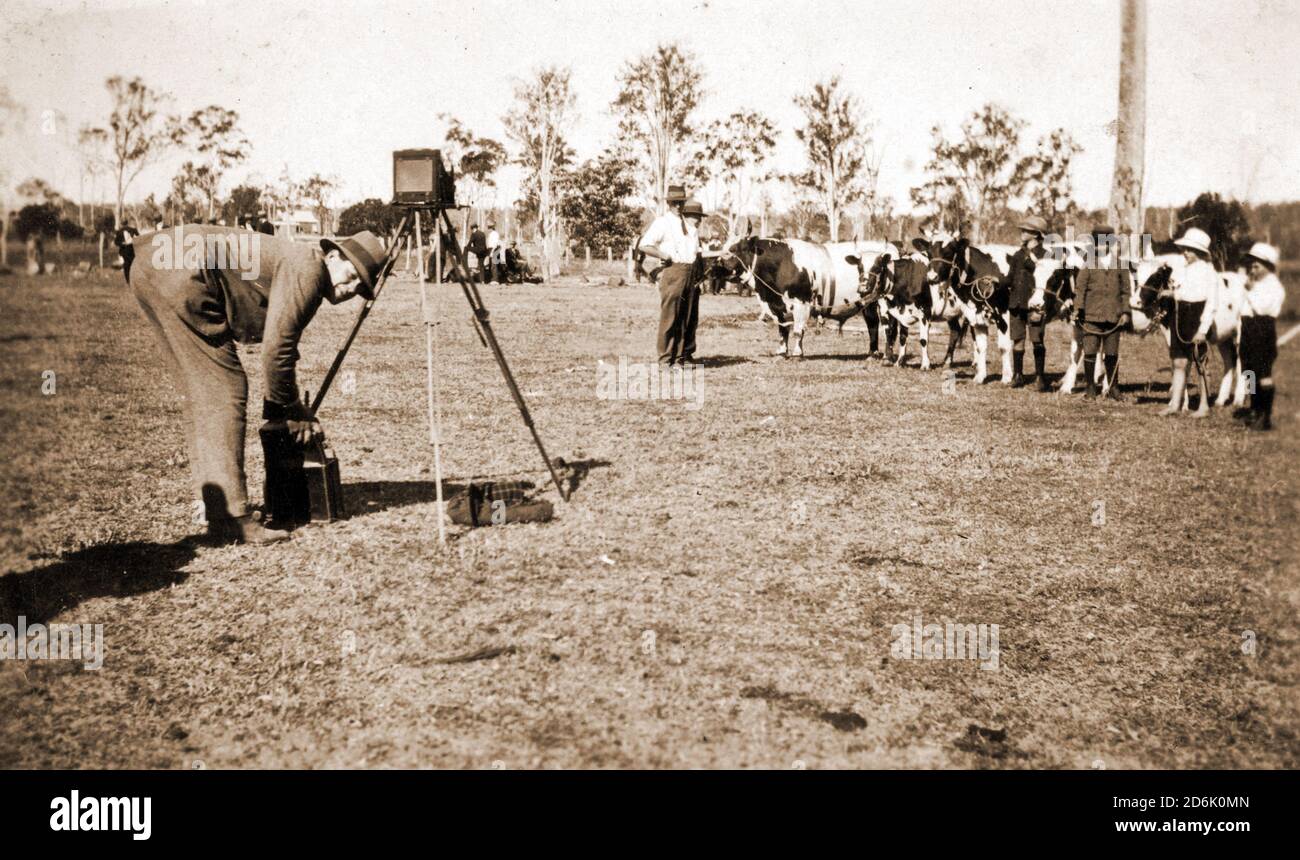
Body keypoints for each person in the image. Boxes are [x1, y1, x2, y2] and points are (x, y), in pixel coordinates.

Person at [131, 225, 385, 543]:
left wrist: (283, 405)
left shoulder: (304, 267)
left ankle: (217, 509)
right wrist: (291, 409)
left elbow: (282, 343)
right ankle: (230, 519)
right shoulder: (309, 268)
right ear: (333, 255)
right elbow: (277, 351)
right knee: (224, 389)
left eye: (361, 287)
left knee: (204, 390)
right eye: (352, 274)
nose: (352, 287)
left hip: (152, 263)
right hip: (179, 268)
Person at [637, 186, 702, 366]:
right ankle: (665, 360)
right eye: (674, 203)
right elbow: (644, 245)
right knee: (670, 318)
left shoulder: (688, 224)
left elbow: (695, 251)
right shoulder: (662, 222)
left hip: (690, 271)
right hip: (673, 271)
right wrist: (662, 255)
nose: (678, 206)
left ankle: (679, 358)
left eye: (681, 203)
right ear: (669, 203)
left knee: (685, 318)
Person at [1160, 227, 1218, 417]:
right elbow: (1180, 291)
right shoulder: (1182, 270)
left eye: (1190, 250)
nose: (1186, 253)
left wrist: (1203, 329)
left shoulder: (1209, 272)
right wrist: (1172, 294)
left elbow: (1212, 303)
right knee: (1179, 362)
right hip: (1180, 316)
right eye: (1184, 249)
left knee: (1200, 363)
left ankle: (1204, 405)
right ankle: (1175, 404)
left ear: (1200, 252)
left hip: (1197, 316)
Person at [1072, 225, 1131, 401]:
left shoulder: (1120, 265)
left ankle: (1113, 387)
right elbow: (1080, 289)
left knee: (1111, 353)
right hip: (1091, 316)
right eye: (1097, 242)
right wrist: (1077, 309)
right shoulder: (1088, 264)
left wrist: (1125, 312)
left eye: (1105, 242)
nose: (1100, 246)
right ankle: (1090, 388)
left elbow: (1126, 291)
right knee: (1090, 352)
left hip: (1113, 317)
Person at [1237, 242, 1285, 431]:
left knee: (1263, 373)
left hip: (1263, 331)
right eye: (1252, 264)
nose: (1253, 267)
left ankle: (1265, 415)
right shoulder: (1256, 284)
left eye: (1258, 264)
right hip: (1249, 329)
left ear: (1268, 266)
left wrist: (1250, 290)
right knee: (1249, 372)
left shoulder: (1274, 286)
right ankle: (1254, 408)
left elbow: (1261, 308)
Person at [1004, 214, 1049, 389]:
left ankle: (1040, 377)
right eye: (1022, 230)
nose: (1022, 233)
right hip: (1016, 303)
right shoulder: (1017, 255)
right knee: (1017, 339)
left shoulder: (1046, 255)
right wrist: (996, 282)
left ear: (1036, 234)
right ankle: (1018, 375)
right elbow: (1009, 278)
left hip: (1035, 304)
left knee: (1037, 340)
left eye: (1026, 230)